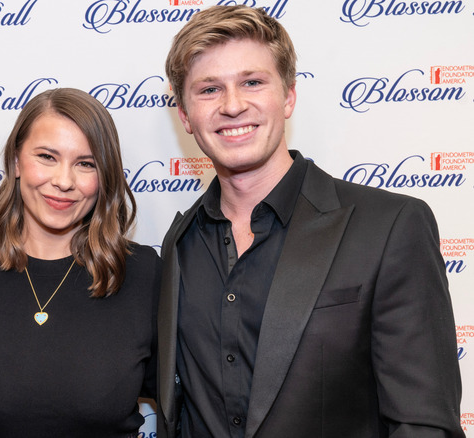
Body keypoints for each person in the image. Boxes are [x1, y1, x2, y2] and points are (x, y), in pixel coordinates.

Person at [157, 5, 463, 438]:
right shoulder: (179, 244)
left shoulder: (389, 226)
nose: (232, 105)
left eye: (252, 82)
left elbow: (424, 424)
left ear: (288, 97)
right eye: (209, 89)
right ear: (185, 115)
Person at [0, 88, 160, 437]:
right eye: (46, 156)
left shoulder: (142, 274)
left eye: (85, 164)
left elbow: (195, 401)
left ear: (105, 177)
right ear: (15, 161)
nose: (63, 181)